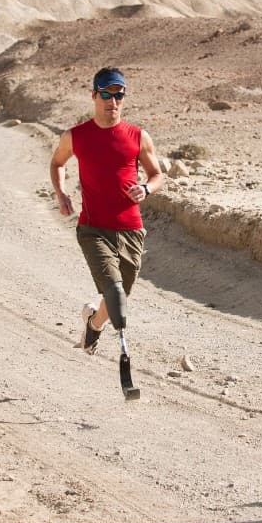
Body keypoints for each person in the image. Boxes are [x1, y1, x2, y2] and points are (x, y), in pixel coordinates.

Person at [49, 67, 164, 356]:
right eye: (106, 94)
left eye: (118, 95)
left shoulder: (138, 136)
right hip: (93, 229)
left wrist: (147, 189)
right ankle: (115, 341)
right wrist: (61, 193)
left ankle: (93, 323)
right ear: (94, 95)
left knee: (118, 301)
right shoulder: (76, 136)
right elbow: (57, 163)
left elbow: (157, 174)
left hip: (132, 231)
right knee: (114, 295)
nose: (112, 101)